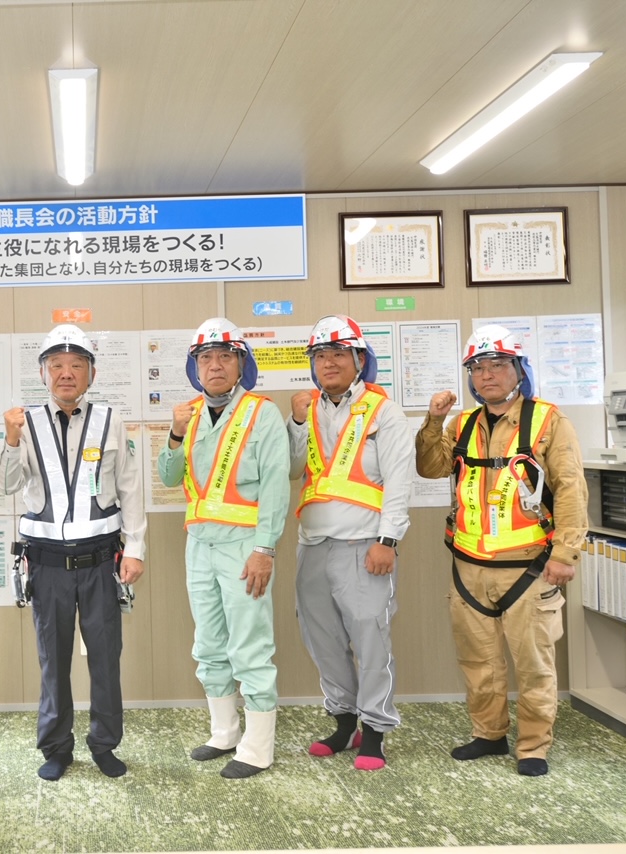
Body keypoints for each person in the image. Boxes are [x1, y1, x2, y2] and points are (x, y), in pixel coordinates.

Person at [415, 324, 587, 777]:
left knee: (534, 664)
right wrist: (433, 421)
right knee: (479, 662)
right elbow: (430, 468)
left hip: (529, 567)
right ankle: (489, 734)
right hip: (468, 567)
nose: (487, 375)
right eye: (477, 368)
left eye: (497, 365)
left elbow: (571, 488)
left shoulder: (548, 421)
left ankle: (533, 747)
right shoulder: (462, 424)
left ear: (519, 370)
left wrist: (565, 554)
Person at [0, 324, 147, 781]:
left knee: (105, 658)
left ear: (91, 373)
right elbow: (6, 485)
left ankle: (104, 743)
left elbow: (130, 488)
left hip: (102, 561)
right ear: (43, 373)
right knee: (53, 660)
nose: (66, 373)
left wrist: (136, 548)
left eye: (76, 365)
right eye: (57, 365)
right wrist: (10, 440)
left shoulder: (110, 420)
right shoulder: (25, 424)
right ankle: (56, 747)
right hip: (47, 564)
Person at [157, 317, 290, 778]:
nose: (215, 365)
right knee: (209, 643)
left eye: (225, 357)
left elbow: (275, 486)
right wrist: (174, 434)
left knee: (250, 644)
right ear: (195, 367)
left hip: (245, 546)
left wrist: (265, 550)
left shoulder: (262, 413)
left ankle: (258, 747)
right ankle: (224, 732)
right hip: (199, 544)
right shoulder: (189, 415)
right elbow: (169, 478)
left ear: (240, 365)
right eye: (205, 358)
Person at [288, 315, 412, 771]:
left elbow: (400, 481)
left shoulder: (384, 412)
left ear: (360, 359)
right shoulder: (308, 409)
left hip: (365, 544)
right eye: (320, 355)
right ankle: (344, 722)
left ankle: (375, 730)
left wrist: (388, 540)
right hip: (313, 544)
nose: (329, 362)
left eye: (339, 353)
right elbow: (292, 469)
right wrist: (296, 421)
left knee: (370, 638)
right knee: (322, 639)